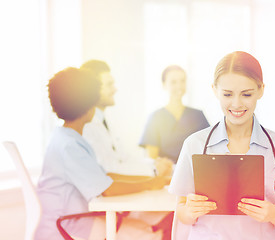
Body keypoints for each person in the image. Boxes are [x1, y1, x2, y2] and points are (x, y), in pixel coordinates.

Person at [168, 51, 275, 239]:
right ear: (215, 90)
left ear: (260, 90)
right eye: (227, 94)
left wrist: (273, 213)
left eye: (246, 94)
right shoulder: (194, 145)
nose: (236, 104)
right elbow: (181, 211)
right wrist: (190, 211)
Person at [35, 67, 168, 240]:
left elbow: (105, 177)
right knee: (156, 232)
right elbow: (108, 190)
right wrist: (150, 184)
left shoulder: (66, 138)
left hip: (75, 220)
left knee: (150, 223)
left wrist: (153, 181)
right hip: (70, 225)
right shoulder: (70, 145)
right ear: (89, 104)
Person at [80, 60, 173, 240]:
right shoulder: (87, 126)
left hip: (117, 204)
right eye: (109, 85)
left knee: (172, 215)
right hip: (101, 211)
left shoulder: (104, 120)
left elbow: (123, 158)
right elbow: (108, 169)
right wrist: (153, 171)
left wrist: (154, 164)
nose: (114, 89)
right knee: (169, 222)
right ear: (92, 89)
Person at [139, 65, 210, 165]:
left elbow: (209, 150)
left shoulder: (198, 116)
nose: (179, 86)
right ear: (164, 85)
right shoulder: (155, 118)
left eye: (182, 81)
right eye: (173, 82)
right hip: (166, 176)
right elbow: (152, 159)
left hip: (194, 174)